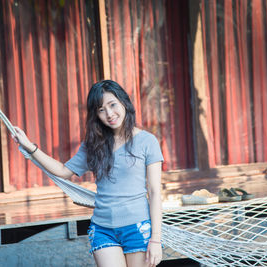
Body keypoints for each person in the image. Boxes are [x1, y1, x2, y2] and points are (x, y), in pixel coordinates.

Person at [13, 80, 164, 267]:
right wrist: (30, 146)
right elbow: (63, 171)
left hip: (138, 227)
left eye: (112, 105)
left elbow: (155, 192)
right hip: (103, 229)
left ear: (124, 102)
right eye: (101, 109)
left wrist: (156, 239)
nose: (109, 114)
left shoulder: (147, 141)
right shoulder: (94, 144)